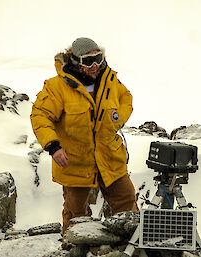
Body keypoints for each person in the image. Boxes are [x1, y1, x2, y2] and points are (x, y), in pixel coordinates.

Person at [30, 37, 138, 235]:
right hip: (75, 161)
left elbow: (126, 98)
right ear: (75, 62)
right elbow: (40, 116)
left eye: (98, 58)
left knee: (127, 201)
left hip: (110, 157)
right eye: (88, 61)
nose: (95, 65)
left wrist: (117, 120)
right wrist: (53, 146)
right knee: (76, 214)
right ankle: (73, 249)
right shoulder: (57, 87)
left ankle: (126, 246)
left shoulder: (110, 80)